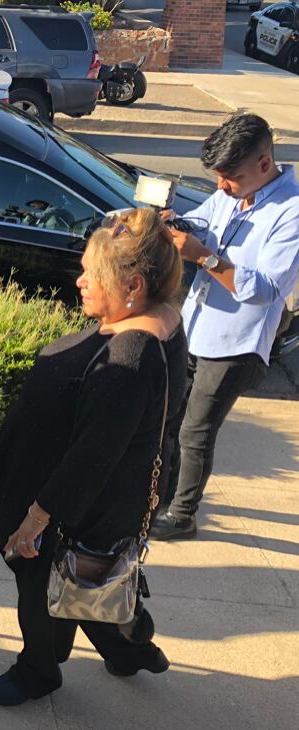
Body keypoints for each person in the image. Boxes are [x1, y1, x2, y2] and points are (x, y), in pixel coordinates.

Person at [0, 208, 187, 706]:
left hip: (82, 502)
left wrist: (34, 517)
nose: (81, 280)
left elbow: (91, 457)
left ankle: (38, 670)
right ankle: (130, 644)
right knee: (89, 577)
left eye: (94, 274)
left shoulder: (129, 359)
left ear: (134, 284)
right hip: (106, 495)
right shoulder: (159, 316)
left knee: (45, 578)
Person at [150, 114, 299, 540]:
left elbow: (266, 289)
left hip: (236, 343)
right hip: (196, 328)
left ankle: (181, 515)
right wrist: (177, 225)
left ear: (265, 164)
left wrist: (204, 257)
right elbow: (204, 220)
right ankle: (155, 501)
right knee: (169, 417)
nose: (222, 187)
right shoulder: (231, 194)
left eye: (230, 178)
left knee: (197, 429)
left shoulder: (291, 212)